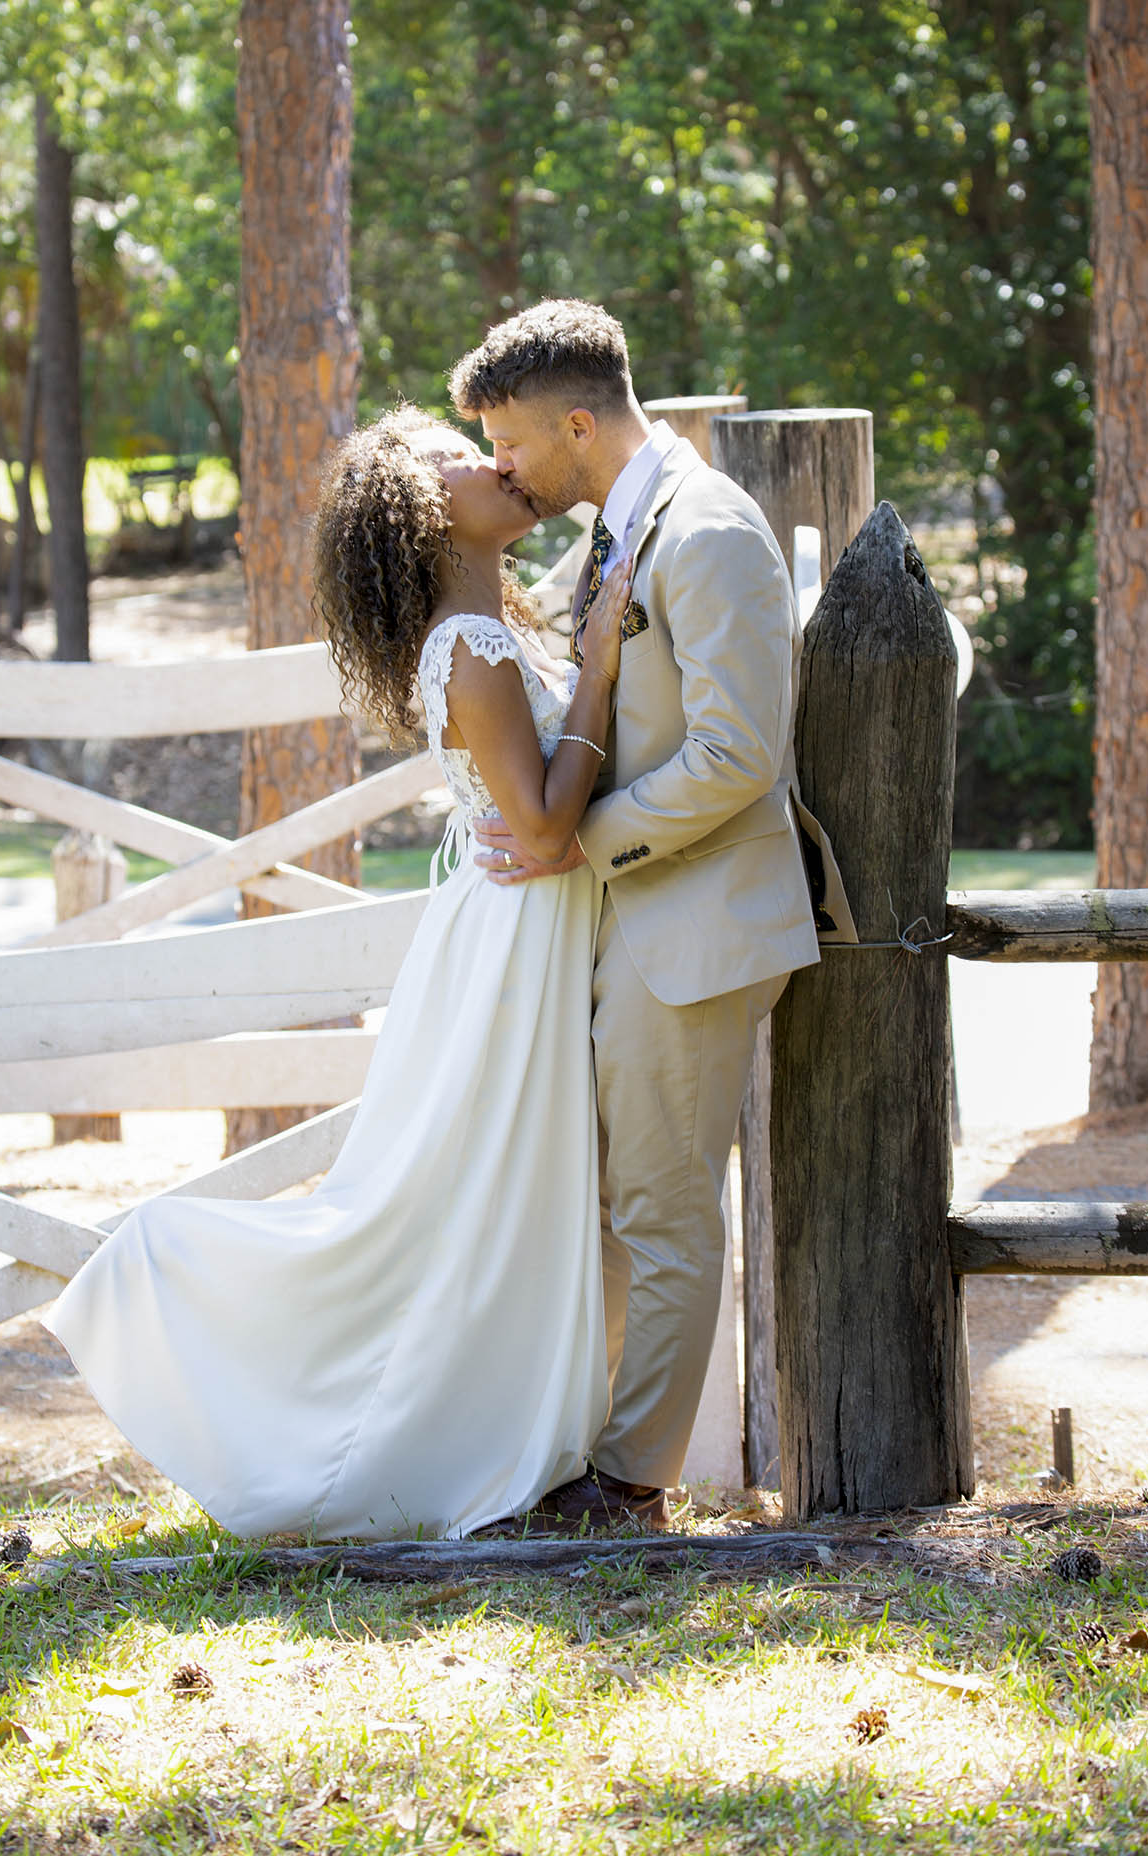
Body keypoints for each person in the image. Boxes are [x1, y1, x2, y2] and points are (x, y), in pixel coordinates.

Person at [46, 405, 636, 1541]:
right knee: (443, 1202)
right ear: (422, 510)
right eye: (464, 458)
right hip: (516, 942)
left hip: (512, 932)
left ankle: (509, 1421)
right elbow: (552, 823)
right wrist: (602, 663)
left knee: (473, 1197)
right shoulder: (471, 647)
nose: (497, 462)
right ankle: (167, 1280)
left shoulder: (484, 629)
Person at [448, 298, 855, 1532]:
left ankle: (630, 1486)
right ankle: (580, 1446)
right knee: (617, 1198)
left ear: (577, 422)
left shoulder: (711, 530)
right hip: (634, 918)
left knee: (667, 1211)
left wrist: (585, 838)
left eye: (510, 442)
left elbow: (737, 754)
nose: (501, 468)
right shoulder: (615, 533)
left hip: (693, 923)